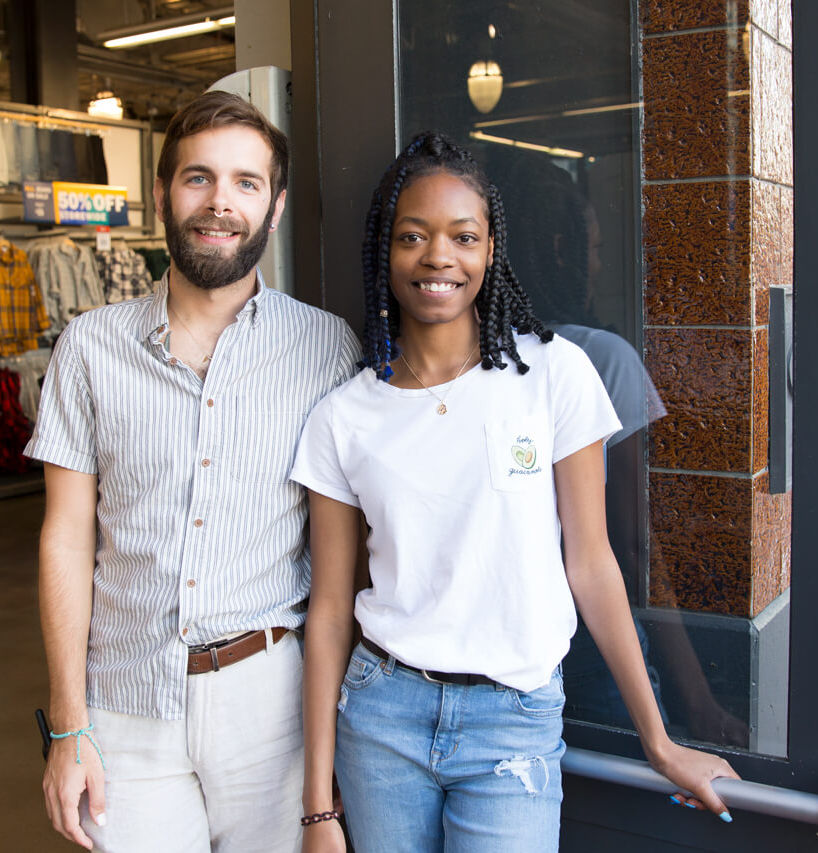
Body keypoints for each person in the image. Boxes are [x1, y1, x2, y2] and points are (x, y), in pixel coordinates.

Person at [290, 132, 741, 853]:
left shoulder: (554, 376)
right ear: (386, 249)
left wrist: (659, 739)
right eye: (413, 235)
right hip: (382, 715)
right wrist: (318, 810)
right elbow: (329, 612)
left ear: (490, 250)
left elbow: (592, 564)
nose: (438, 255)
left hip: (514, 720)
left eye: (462, 236)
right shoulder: (343, 417)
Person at [25, 90, 360, 852]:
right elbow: (65, 539)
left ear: (273, 209)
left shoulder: (325, 349)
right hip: (125, 702)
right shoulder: (88, 346)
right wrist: (67, 726)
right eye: (198, 178)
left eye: (246, 183)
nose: (220, 203)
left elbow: (349, 548)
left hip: (270, 702)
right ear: (161, 196)